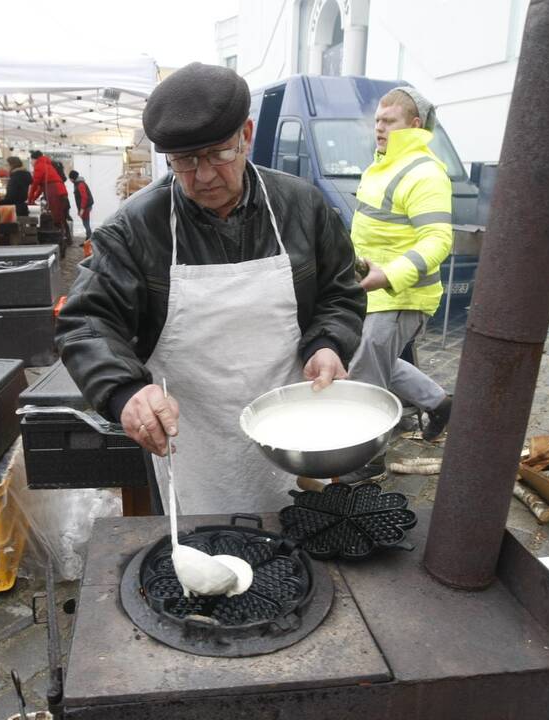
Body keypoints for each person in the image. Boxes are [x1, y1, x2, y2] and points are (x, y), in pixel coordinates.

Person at [55, 62, 365, 515]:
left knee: (304, 539)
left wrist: (329, 343)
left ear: (247, 134)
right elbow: (87, 321)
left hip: (293, 428)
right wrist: (124, 391)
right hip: (192, 436)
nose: (202, 176)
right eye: (184, 161)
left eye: (219, 154)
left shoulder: (303, 205)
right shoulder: (135, 227)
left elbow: (340, 292)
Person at [344, 87, 455, 481]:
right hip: (375, 292)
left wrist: (389, 275)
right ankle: (440, 404)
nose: (378, 128)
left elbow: (439, 241)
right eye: (377, 120)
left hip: (400, 294)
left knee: (364, 376)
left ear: (414, 124)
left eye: (388, 121)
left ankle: (365, 463)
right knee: (378, 362)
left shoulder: (424, 172)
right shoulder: (384, 164)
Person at [28, 150, 71, 243]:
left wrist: (30, 199)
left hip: (54, 191)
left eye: (31, 160)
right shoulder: (47, 165)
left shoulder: (39, 166)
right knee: (61, 216)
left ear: (34, 159)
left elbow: (35, 184)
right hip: (60, 191)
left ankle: (59, 239)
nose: (31, 162)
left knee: (56, 217)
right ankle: (66, 238)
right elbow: (41, 187)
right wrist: (33, 198)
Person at [69, 169, 94, 238]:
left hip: (86, 206)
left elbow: (84, 197)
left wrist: (82, 209)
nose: (70, 180)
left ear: (73, 178)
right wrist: (79, 209)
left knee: (86, 223)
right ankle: (88, 239)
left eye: (70, 178)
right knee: (85, 223)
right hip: (84, 206)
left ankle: (89, 240)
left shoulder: (80, 184)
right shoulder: (77, 183)